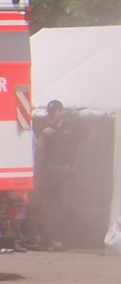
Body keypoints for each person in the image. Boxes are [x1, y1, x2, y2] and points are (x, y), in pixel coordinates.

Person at [33, 100, 76, 249]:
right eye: (50, 113)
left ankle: (59, 238)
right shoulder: (50, 130)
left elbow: (69, 145)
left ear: (60, 112)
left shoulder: (67, 128)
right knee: (50, 207)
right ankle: (49, 238)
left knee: (62, 206)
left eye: (54, 113)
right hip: (53, 173)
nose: (51, 116)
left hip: (64, 172)